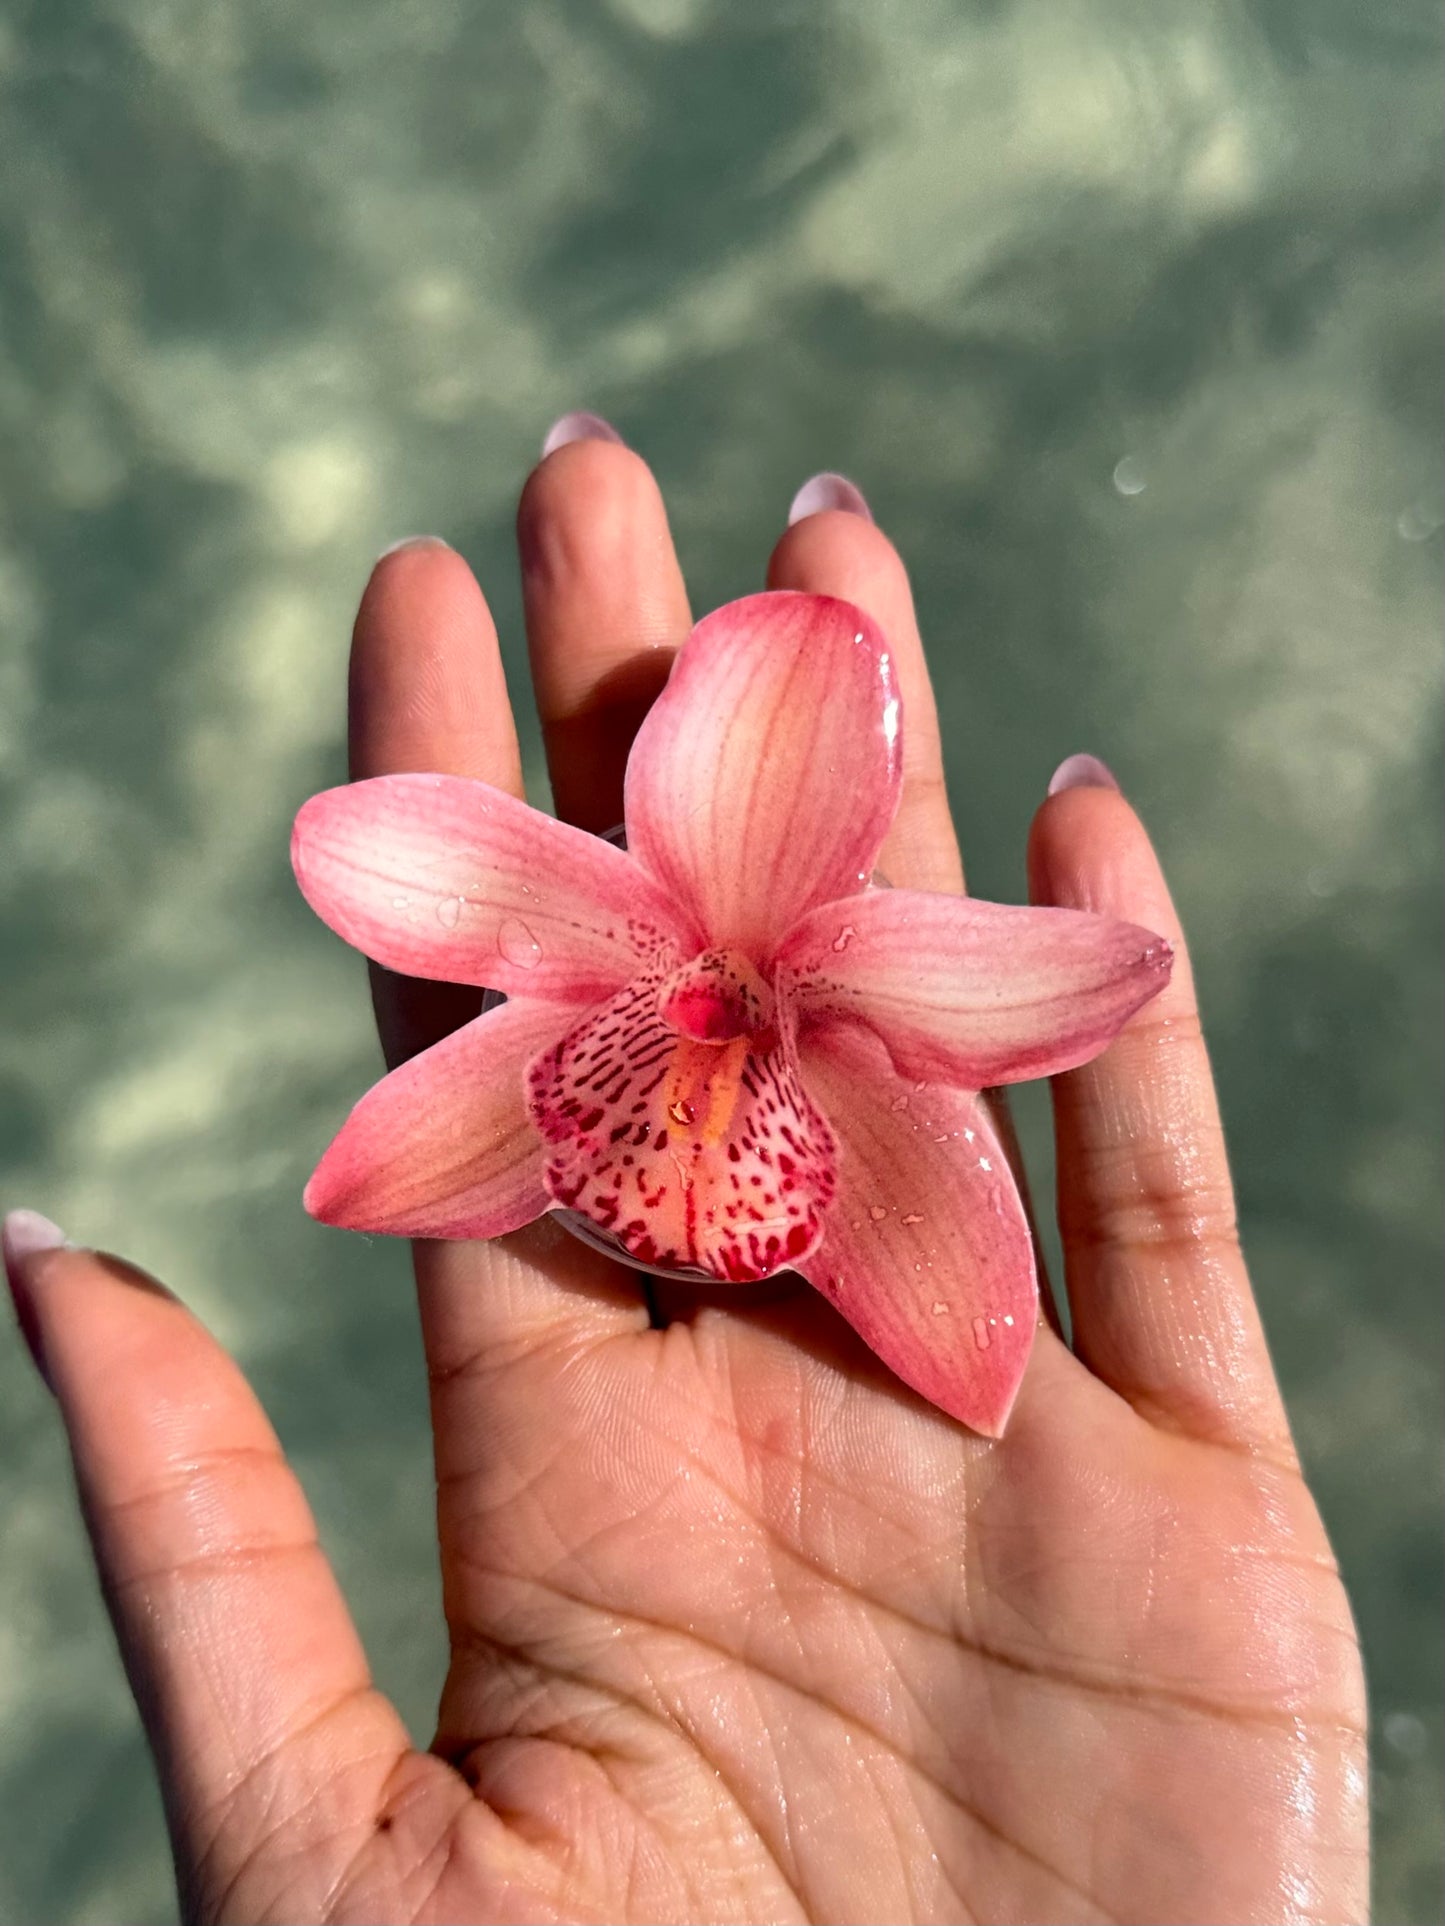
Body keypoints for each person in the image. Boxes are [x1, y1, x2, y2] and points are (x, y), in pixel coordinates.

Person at [2, 417, 1368, 1925]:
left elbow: (1001, 1210)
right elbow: (381, 875)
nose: (709, 1030)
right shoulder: (600, 1026)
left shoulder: (858, 1073)